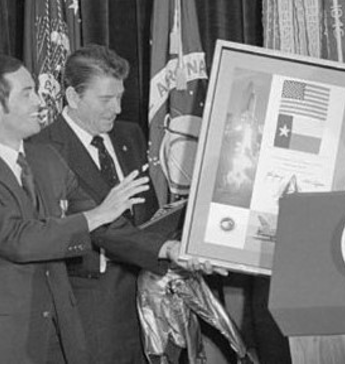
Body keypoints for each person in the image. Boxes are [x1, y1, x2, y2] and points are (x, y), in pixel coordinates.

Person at [0, 54, 151, 363]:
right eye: (27, 93)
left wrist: (168, 251)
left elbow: (105, 228)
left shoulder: (48, 159)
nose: (40, 101)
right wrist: (99, 213)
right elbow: (20, 240)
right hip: (1, 345)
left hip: (63, 339)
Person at [28, 44, 222, 362]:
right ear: (73, 97)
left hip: (152, 295)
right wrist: (167, 251)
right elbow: (98, 227)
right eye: (105, 99)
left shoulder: (129, 134)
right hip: (94, 309)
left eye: (119, 96)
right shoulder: (44, 149)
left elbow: (149, 212)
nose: (117, 108)